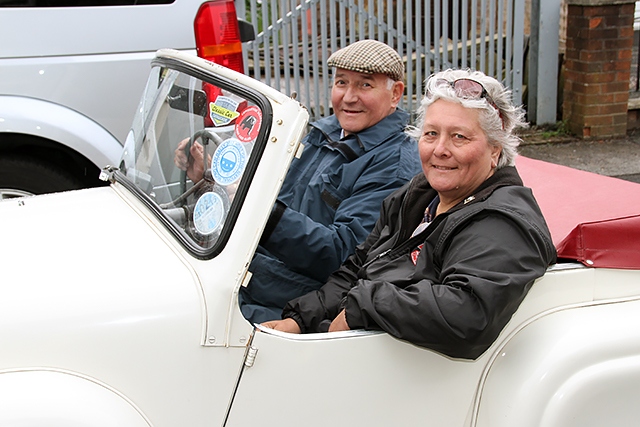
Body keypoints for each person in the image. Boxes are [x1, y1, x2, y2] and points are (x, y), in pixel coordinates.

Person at [262, 68, 558, 360]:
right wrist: (300, 319)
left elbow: (467, 315)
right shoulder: (419, 195)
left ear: (495, 151)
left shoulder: (501, 221)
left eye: (459, 137)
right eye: (431, 134)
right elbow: (358, 265)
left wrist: (362, 305)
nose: (440, 149)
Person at [176, 40, 422, 324]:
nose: (349, 97)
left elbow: (343, 255)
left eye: (365, 85)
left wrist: (255, 208)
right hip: (248, 272)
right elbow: (274, 188)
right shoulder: (324, 131)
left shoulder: (393, 166)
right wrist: (210, 178)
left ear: (396, 95)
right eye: (342, 82)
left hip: (296, 302)